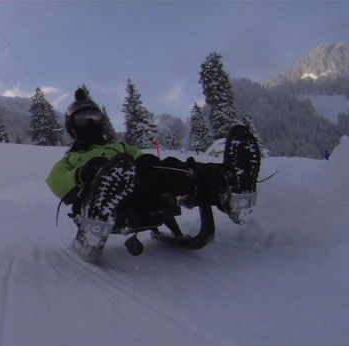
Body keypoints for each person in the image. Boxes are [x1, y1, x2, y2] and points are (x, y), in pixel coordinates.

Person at [46, 87, 260, 241]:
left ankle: (228, 186)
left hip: (137, 193)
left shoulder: (119, 147)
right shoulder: (70, 159)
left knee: (166, 167)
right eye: (84, 119)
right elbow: (55, 182)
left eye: (94, 118)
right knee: (109, 173)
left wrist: (144, 161)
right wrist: (82, 174)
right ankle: (97, 220)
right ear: (73, 127)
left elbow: (139, 157)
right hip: (100, 202)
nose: (90, 123)